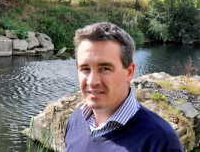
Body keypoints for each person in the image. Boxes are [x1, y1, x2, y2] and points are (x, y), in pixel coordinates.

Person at [65, 22, 184, 152]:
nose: (92, 81)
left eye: (105, 68)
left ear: (129, 72)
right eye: (85, 69)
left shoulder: (160, 140)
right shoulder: (75, 120)